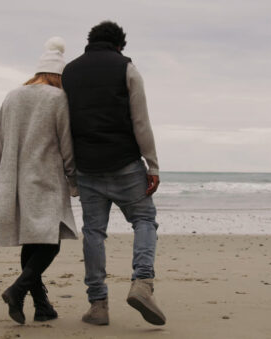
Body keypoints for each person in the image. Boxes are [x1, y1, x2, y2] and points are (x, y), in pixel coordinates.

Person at [0, 37, 78, 325]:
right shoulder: (59, 98)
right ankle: (17, 290)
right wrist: (74, 181)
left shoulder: (12, 96)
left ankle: (42, 306)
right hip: (45, 179)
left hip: (14, 180)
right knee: (49, 242)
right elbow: (66, 145)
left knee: (33, 240)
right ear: (58, 75)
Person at [62, 21, 165, 326]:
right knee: (144, 219)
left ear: (90, 42)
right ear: (120, 45)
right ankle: (142, 283)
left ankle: (98, 305)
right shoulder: (126, 68)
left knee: (94, 232)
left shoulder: (69, 72)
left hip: (87, 167)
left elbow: (64, 127)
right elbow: (141, 122)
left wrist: (71, 173)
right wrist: (153, 165)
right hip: (124, 164)